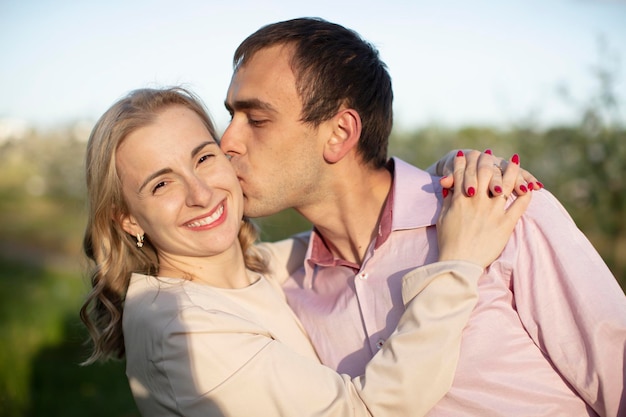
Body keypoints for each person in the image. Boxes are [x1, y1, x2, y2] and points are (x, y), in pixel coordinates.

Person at [220, 17, 626, 416]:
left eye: (256, 119)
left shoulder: (504, 209)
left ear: (340, 133)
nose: (227, 141)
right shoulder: (283, 288)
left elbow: (617, 375)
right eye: (231, 116)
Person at [79, 87, 529, 416]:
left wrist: (449, 177)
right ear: (128, 218)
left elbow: (362, 221)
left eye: (203, 158)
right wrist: (459, 264)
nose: (200, 193)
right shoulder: (178, 326)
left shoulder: (256, 268)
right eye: (161, 184)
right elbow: (367, 411)